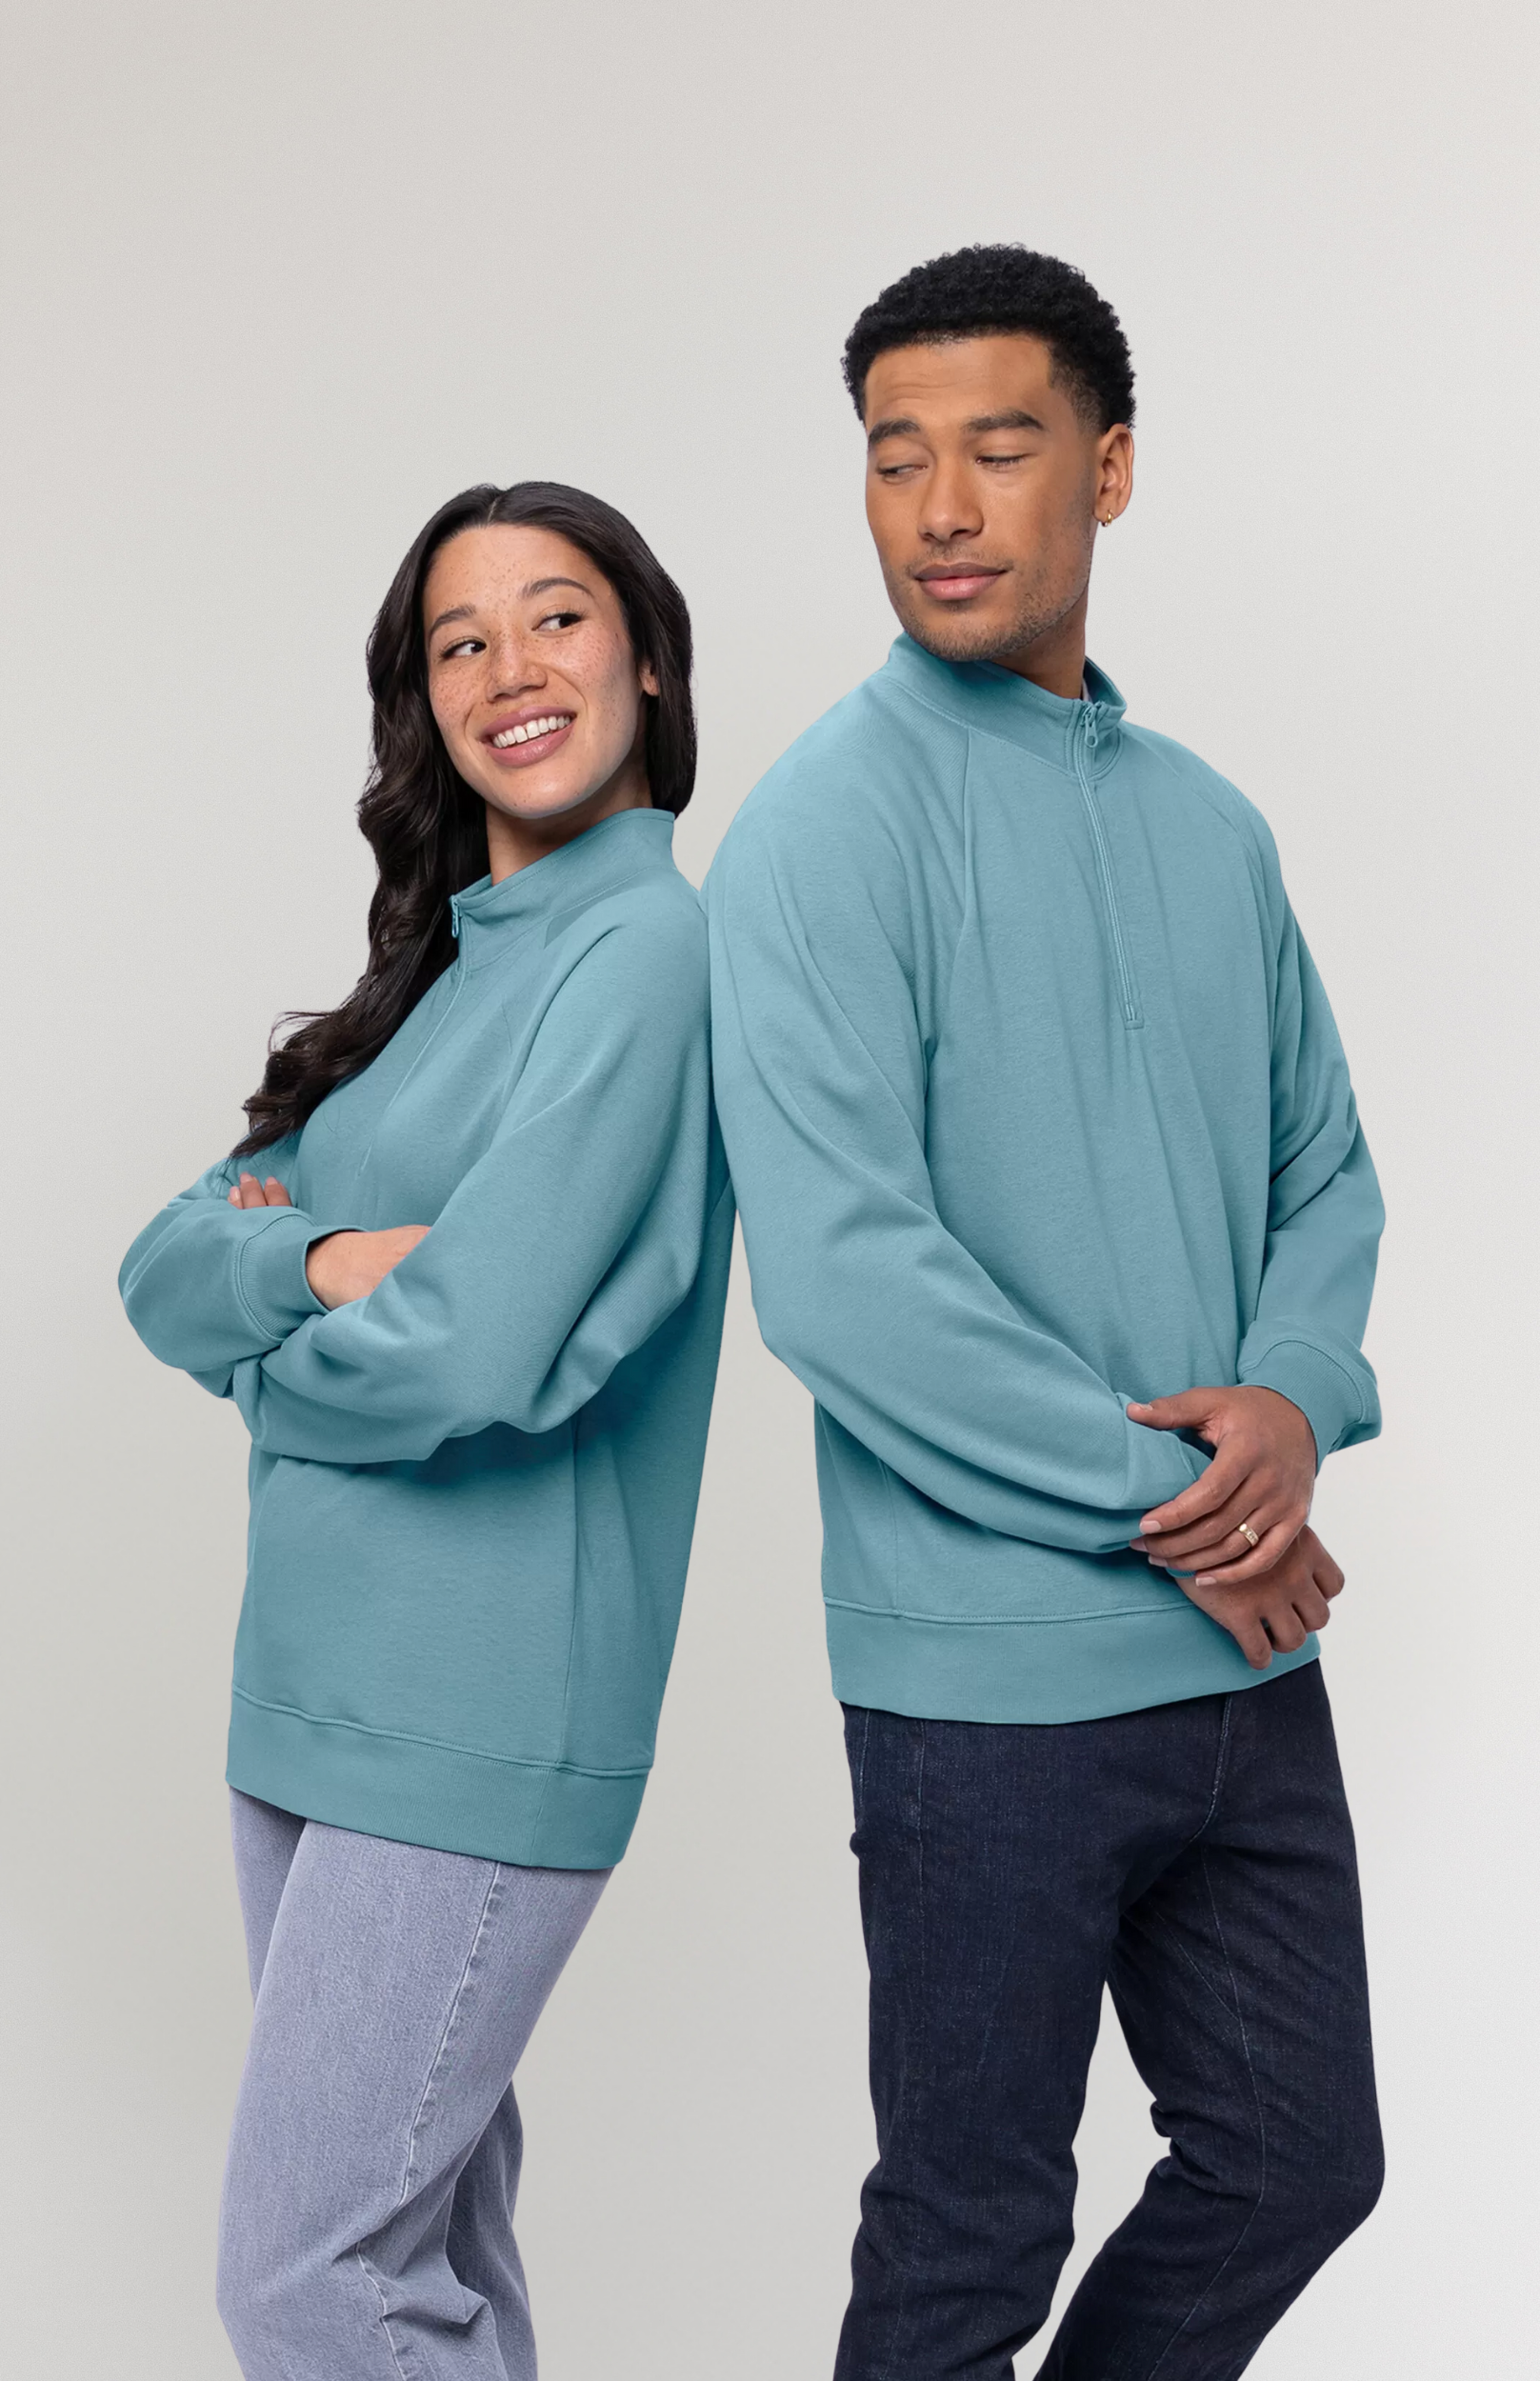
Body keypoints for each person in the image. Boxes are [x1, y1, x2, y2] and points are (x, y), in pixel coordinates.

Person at [706, 246, 1385, 2379]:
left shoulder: (1212, 824)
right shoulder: (822, 828)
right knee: (969, 2241)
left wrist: (1292, 1401)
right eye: (893, 457)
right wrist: (1183, 1503)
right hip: (983, 1682)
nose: (940, 508)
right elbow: (847, 1275)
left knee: (1297, 2157)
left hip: (1239, 1651)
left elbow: (1321, 1168)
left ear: (1107, 468)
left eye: (998, 450)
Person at [120, 481, 732, 2381]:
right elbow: (164, 1262)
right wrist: (315, 1268)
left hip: (476, 1712)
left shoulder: (646, 955)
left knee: (309, 2280)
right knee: (422, 2256)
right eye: (461, 641)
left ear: (646, 656)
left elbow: (472, 1351)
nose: (509, 670)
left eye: (555, 617)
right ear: (423, 700)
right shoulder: (432, 977)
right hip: (304, 1696)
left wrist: (266, 1366)